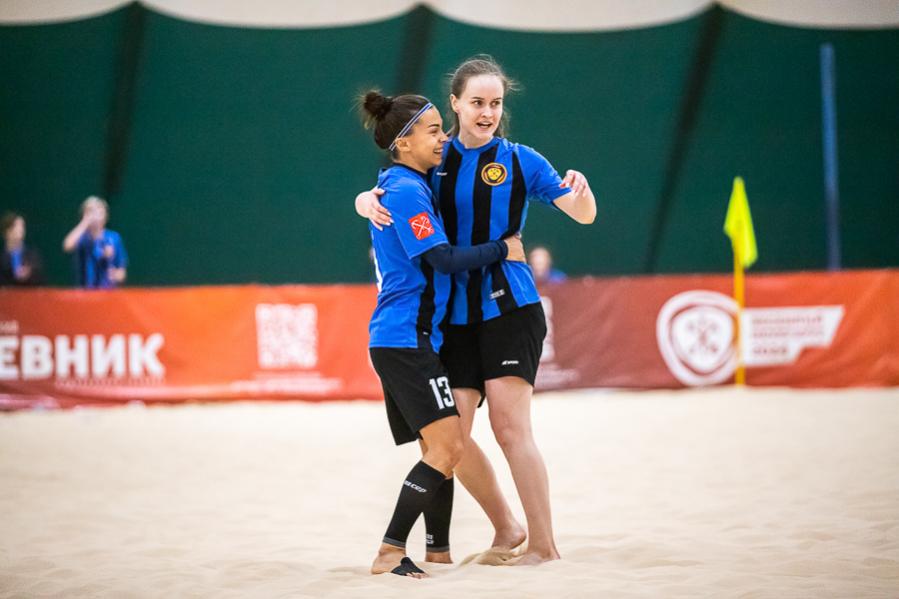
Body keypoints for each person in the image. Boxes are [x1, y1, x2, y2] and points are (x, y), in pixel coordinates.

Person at [356, 56, 597, 565]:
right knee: (453, 438)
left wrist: (583, 196)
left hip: (510, 307)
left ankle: (544, 546)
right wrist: (363, 199)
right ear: (456, 104)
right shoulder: (433, 156)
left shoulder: (520, 160)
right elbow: (393, 184)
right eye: (477, 102)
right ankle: (506, 528)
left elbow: (582, 214)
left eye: (496, 103)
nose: (488, 112)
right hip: (454, 320)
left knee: (510, 429)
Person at [359, 90, 527, 578]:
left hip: (408, 337)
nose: (442, 139)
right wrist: (504, 248)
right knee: (449, 447)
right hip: (405, 337)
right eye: (433, 131)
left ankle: (437, 552)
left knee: (439, 448)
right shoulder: (406, 189)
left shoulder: (407, 182)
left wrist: (362, 200)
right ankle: (390, 550)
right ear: (403, 142)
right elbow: (442, 259)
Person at [62, 196, 128, 289]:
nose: (95, 215)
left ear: (106, 215)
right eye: (91, 211)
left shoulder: (114, 238)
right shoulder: (82, 238)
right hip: (84, 291)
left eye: (99, 211)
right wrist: (85, 222)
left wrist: (115, 275)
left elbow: (122, 273)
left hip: (108, 292)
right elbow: (67, 246)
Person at [0, 212, 45, 286]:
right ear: (6, 231)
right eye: (15, 226)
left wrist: (29, 273)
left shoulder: (33, 256)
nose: (20, 230)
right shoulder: (2, 258)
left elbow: (41, 279)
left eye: (22, 226)